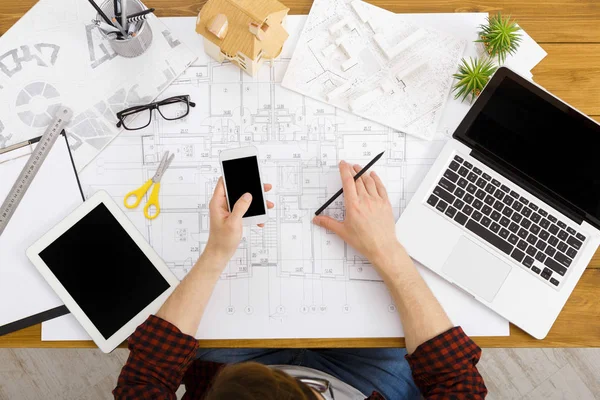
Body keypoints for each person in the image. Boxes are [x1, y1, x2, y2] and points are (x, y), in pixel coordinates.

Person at [113, 161, 487, 399]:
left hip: (232, 375)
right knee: (402, 334)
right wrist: (386, 248)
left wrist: (216, 253)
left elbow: (146, 377)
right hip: (364, 382)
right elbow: (456, 381)